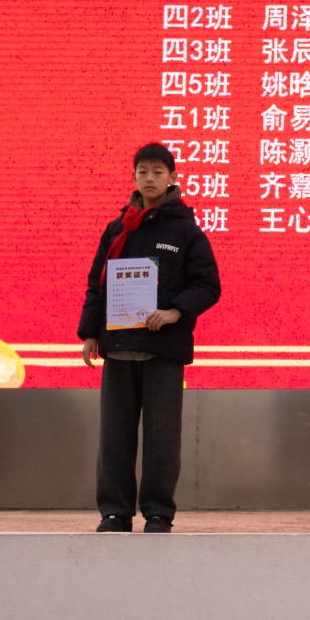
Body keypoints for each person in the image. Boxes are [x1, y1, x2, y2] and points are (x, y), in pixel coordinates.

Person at [78, 142, 221, 534]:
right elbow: (97, 285)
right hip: (118, 347)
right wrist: (90, 333)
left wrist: (175, 311)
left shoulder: (187, 231)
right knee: (114, 437)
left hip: (164, 350)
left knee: (162, 438)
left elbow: (208, 285)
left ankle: (158, 512)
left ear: (172, 177)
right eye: (143, 171)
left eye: (158, 172)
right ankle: (115, 511)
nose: (150, 178)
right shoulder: (117, 229)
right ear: (134, 177)